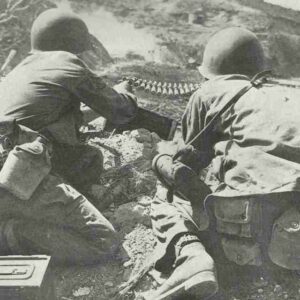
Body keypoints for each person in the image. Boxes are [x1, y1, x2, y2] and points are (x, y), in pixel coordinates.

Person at [147, 27, 300, 300]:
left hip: (255, 224)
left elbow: (187, 165)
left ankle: (192, 259)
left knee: (166, 196)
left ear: (212, 67)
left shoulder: (211, 91)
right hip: (292, 224)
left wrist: (160, 159)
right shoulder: (290, 93)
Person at [0, 9, 138, 265]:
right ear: (72, 44)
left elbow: (43, 121)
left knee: (89, 158)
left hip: (12, 166)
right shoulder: (66, 62)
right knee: (102, 242)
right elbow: (121, 111)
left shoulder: (16, 74)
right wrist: (126, 94)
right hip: (20, 174)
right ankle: (9, 233)